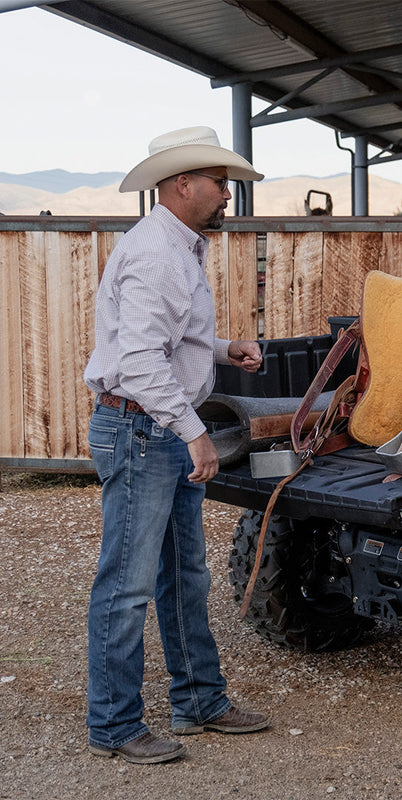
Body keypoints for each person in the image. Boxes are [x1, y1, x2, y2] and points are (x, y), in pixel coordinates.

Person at [83, 126, 269, 764]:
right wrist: (195, 434)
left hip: (152, 426)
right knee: (129, 583)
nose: (226, 195)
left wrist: (219, 351)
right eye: (220, 183)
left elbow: (162, 340)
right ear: (182, 184)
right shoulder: (161, 252)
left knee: (182, 576)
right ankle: (114, 726)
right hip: (145, 429)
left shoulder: (176, 246)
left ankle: (199, 700)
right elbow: (136, 361)